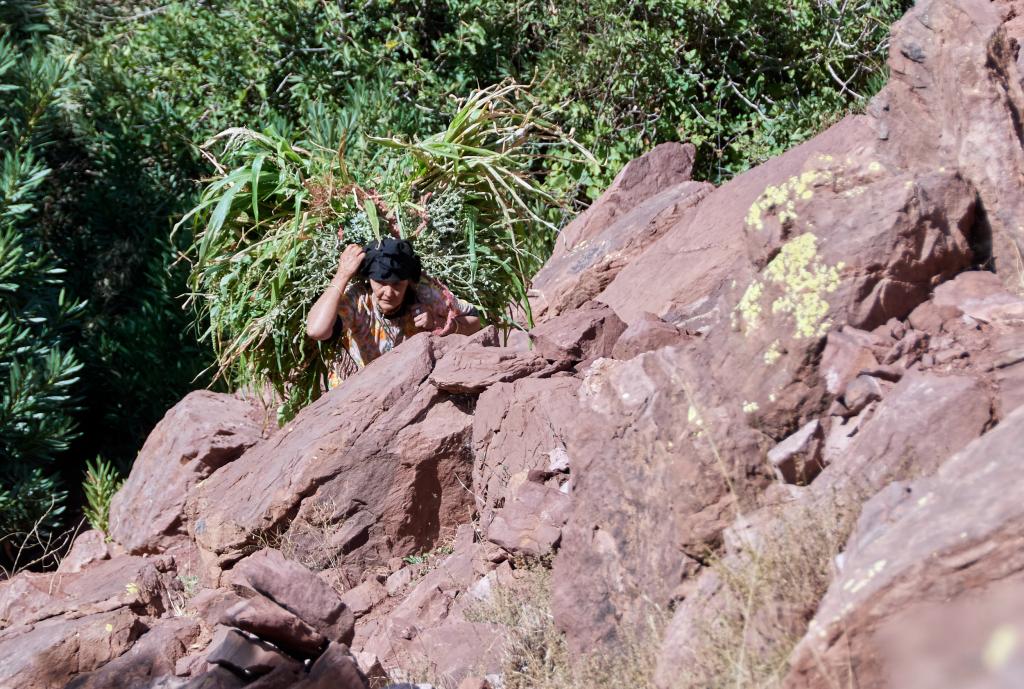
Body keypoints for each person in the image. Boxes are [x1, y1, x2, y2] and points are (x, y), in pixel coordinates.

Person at [306, 237, 481, 388]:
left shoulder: (426, 293)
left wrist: (441, 324)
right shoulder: (357, 300)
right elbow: (316, 330)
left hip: (408, 384)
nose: (388, 293)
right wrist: (342, 275)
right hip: (356, 386)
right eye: (381, 282)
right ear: (368, 279)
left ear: (408, 282)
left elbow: (476, 323)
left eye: (397, 284)